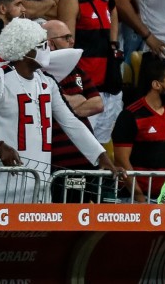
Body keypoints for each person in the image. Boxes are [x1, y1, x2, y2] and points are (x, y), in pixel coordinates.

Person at [0, 18, 124, 203]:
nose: (48, 50)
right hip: (0, 181)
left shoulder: (47, 82)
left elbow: (71, 123)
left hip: (40, 182)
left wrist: (101, 156)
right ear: (25, 49)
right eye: (42, 45)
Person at [57, 0, 123, 144]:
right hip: (89, 85)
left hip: (110, 80)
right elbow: (65, 44)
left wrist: (113, 44)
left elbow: (114, 10)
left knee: (104, 142)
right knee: (87, 141)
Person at [43, 19, 104, 202]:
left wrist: (62, 105)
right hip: (58, 164)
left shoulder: (77, 70)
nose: (72, 41)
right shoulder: (39, 73)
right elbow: (48, 105)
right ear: (50, 44)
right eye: (66, 37)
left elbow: (98, 104)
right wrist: (76, 100)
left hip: (86, 159)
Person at [112, 58, 165, 202]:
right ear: (156, 84)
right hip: (135, 199)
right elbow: (121, 160)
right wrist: (139, 197)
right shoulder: (130, 115)